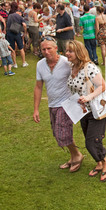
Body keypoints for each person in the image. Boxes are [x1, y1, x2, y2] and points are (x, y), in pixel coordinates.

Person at [65, 40, 106, 181]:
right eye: (66, 50)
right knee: (90, 138)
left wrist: (88, 97)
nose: (67, 53)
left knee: (91, 141)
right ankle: (99, 163)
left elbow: (102, 86)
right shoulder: (71, 67)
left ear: (79, 53)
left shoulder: (90, 68)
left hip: (96, 110)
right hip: (82, 111)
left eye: (70, 51)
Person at [34, 38, 85, 172]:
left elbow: (81, 72)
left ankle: (77, 156)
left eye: (49, 48)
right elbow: (38, 87)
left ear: (56, 48)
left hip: (67, 103)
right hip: (52, 104)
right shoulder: (40, 65)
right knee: (58, 133)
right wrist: (36, 109)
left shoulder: (66, 62)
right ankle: (74, 156)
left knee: (62, 133)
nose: (46, 52)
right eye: (43, 49)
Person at [6, 3, 28, 68]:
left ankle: (14, 64)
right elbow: (24, 25)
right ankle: (24, 62)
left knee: (12, 49)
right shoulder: (18, 16)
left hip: (10, 33)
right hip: (17, 33)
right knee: (21, 48)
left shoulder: (9, 16)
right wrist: (25, 32)